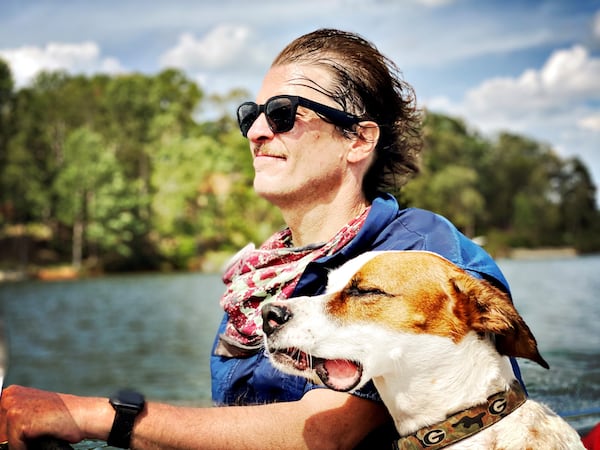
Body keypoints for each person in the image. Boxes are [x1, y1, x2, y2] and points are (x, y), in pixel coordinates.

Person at [0, 28, 524, 449]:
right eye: (251, 116)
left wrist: (95, 417)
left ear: (358, 140)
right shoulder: (260, 282)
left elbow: (327, 432)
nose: (255, 132)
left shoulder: (419, 255)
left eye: (283, 114)